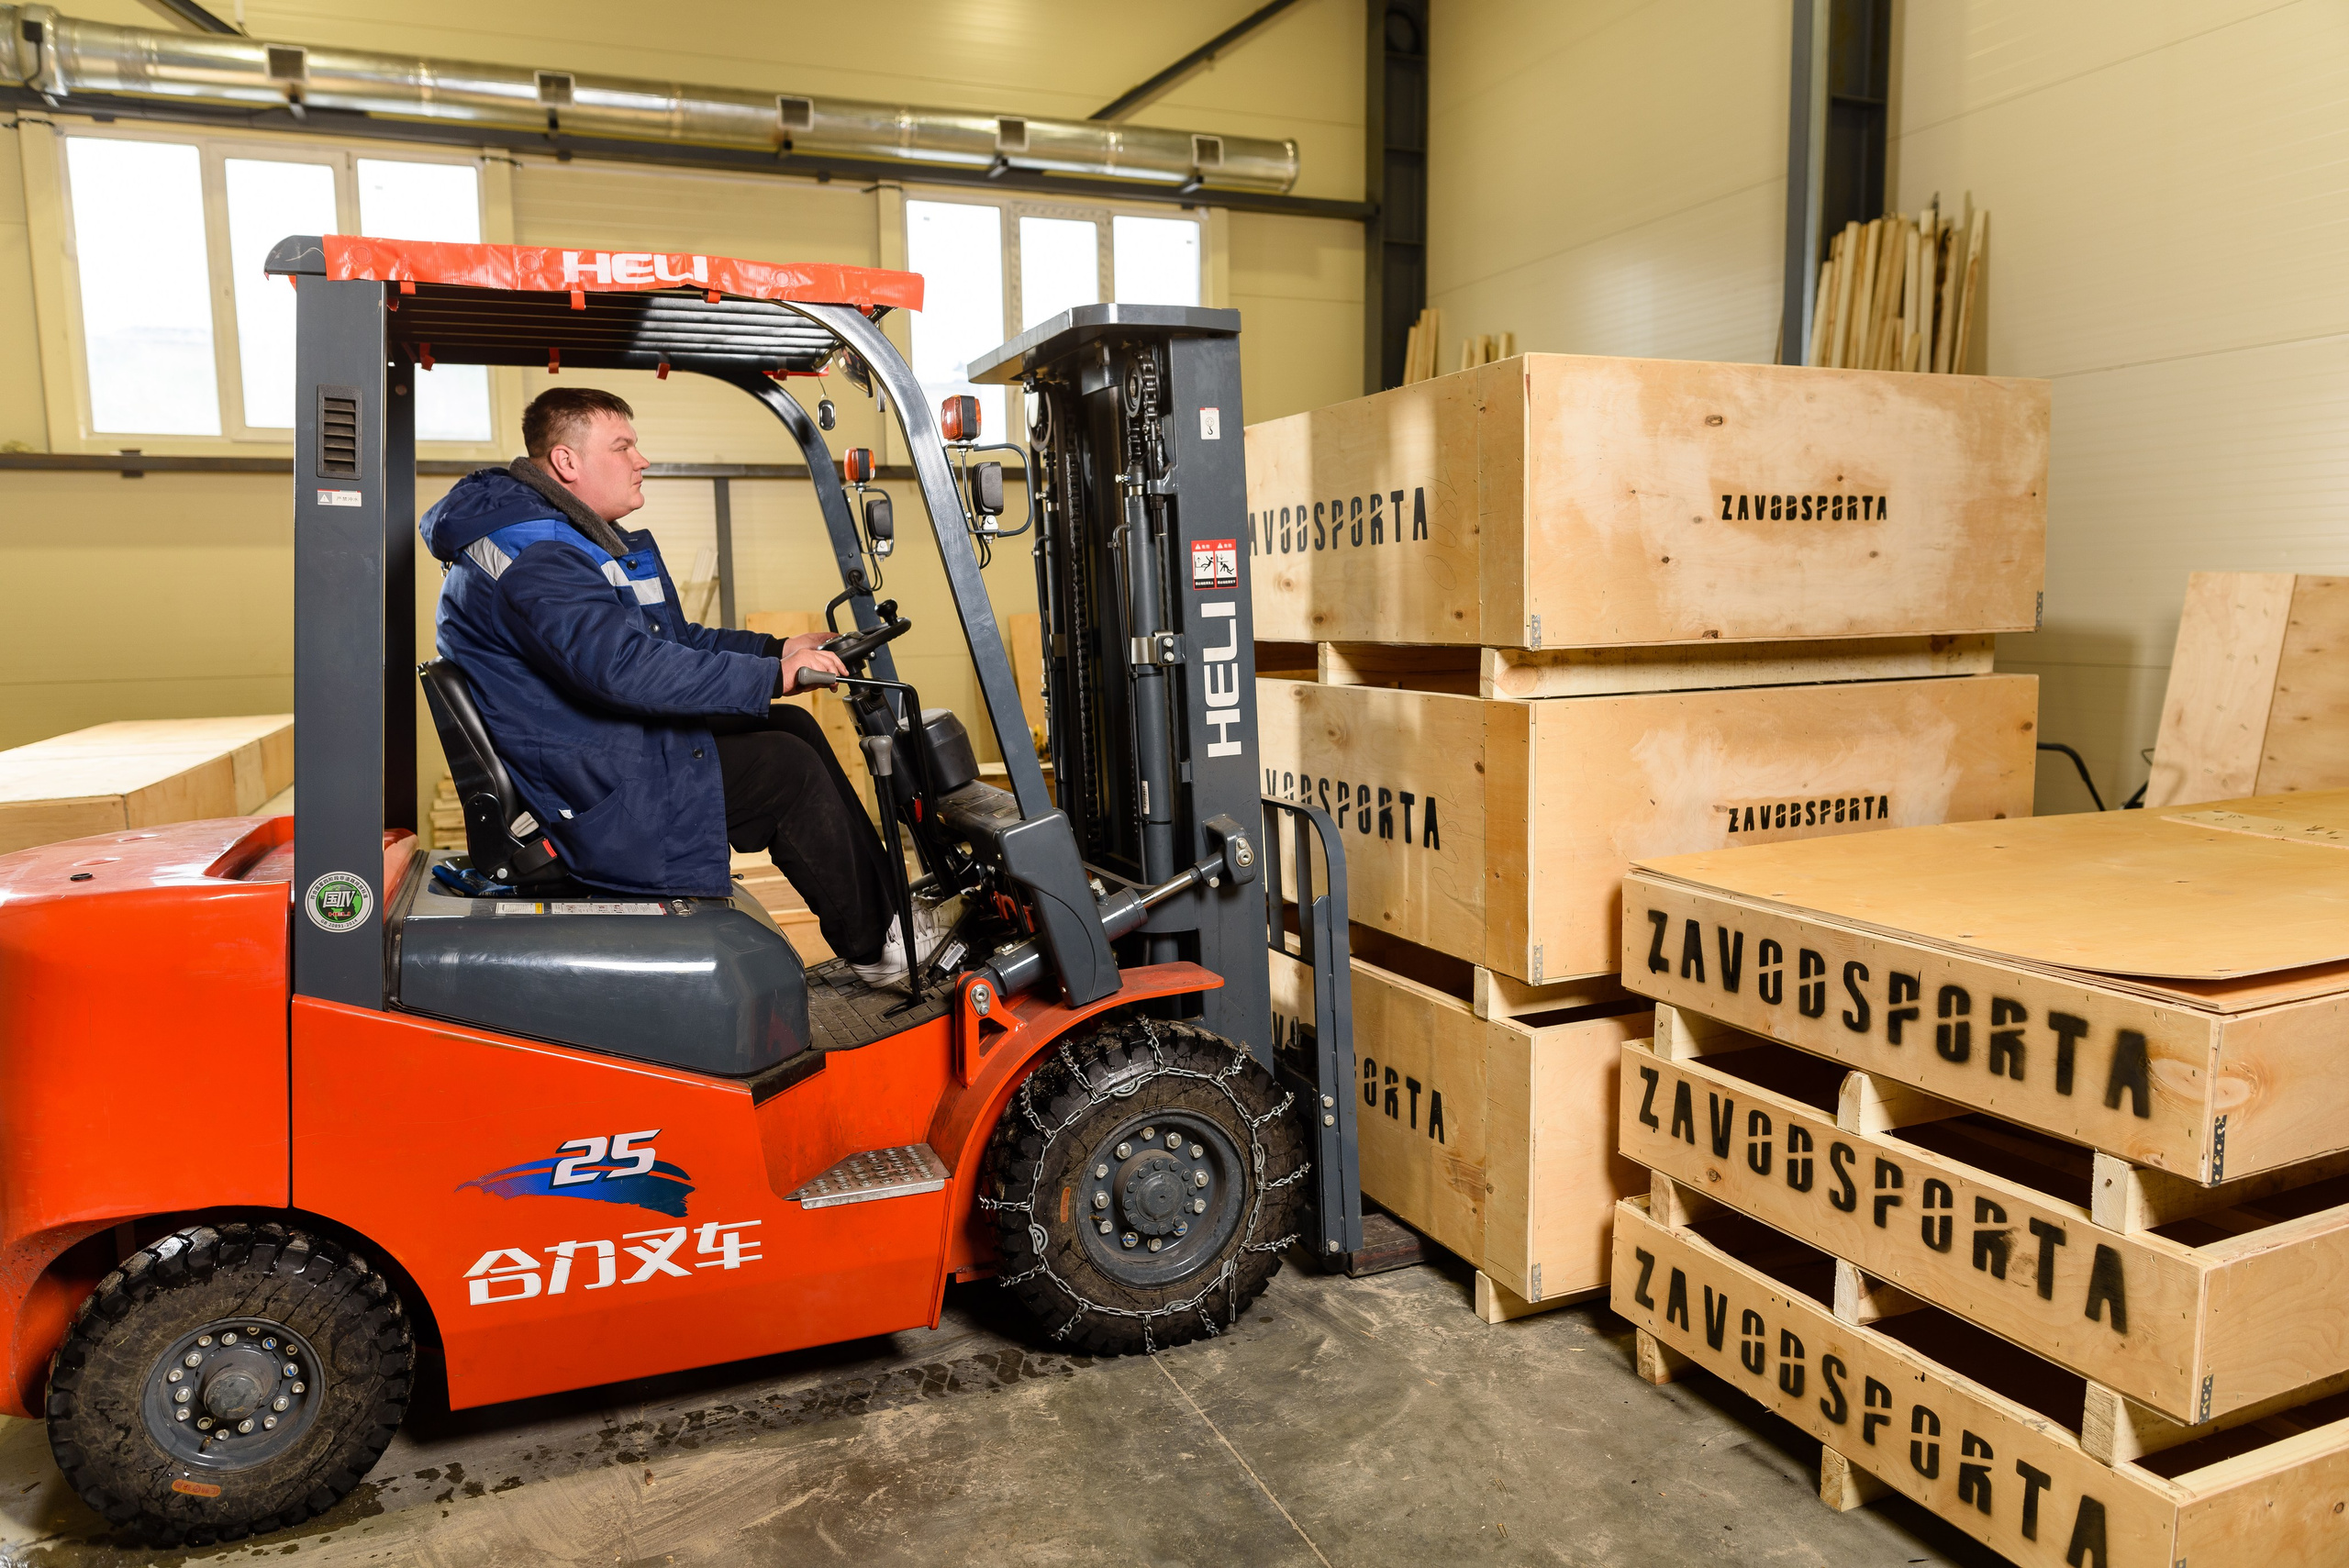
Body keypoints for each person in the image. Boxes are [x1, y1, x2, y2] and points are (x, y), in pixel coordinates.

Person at [419, 386, 934, 984]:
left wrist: (776, 651)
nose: (641, 460)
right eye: (623, 447)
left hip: (593, 749)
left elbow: (669, 639)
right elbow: (625, 667)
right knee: (784, 769)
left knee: (789, 724)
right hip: (590, 790)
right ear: (566, 462)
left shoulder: (552, 536)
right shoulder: (539, 555)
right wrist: (770, 676)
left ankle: (890, 916)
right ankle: (879, 951)